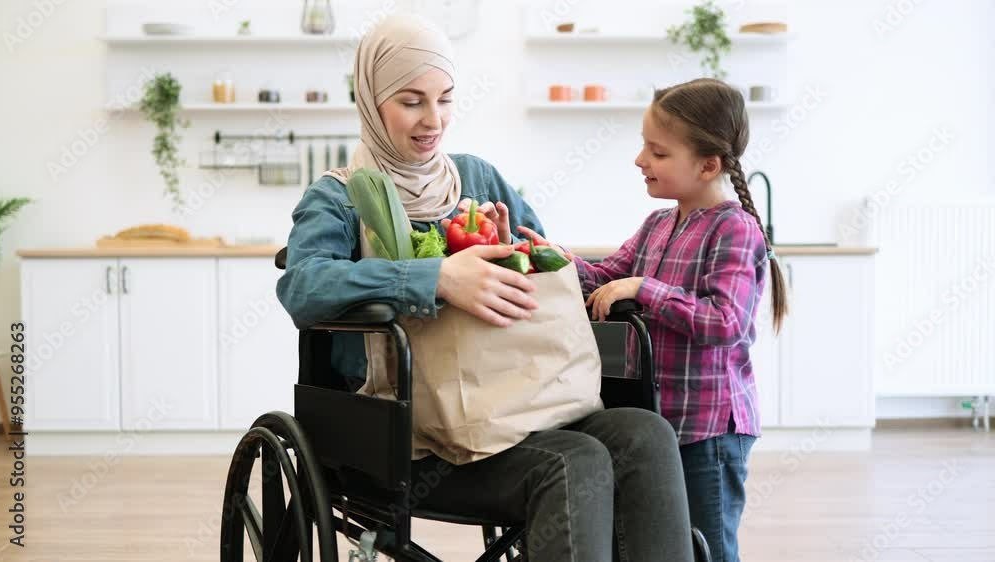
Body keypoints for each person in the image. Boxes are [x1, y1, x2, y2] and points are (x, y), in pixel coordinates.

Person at [276, 14, 694, 561]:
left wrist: (515, 256)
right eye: (411, 101)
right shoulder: (338, 197)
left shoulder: (479, 180)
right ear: (370, 100)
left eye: (445, 99)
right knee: (575, 461)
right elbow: (303, 288)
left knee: (645, 433)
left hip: (518, 400)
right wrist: (437, 277)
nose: (434, 120)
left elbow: (550, 274)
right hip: (410, 434)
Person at [523, 78, 789, 562]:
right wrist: (544, 255)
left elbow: (725, 320)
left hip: (709, 431)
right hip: (659, 425)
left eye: (658, 152)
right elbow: (601, 276)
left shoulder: (735, 228)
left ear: (708, 165)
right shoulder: (658, 225)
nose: (640, 159)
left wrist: (646, 288)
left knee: (706, 545)